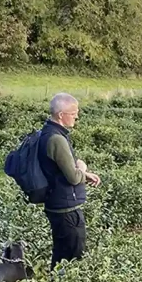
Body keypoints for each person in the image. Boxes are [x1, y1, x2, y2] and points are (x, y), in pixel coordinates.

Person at [38, 93, 99, 268]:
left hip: (58, 204)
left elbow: (59, 170)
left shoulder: (50, 132)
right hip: (66, 208)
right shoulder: (56, 139)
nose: (76, 117)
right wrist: (82, 168)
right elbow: (72, 177)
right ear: (60, 115)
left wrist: (84, 175)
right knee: (72, 257)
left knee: (61, 254)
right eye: (73, 113)